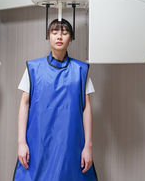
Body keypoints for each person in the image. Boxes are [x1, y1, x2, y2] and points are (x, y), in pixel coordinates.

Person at [13, 18, 98, 181]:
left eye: (64, 33)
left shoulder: (80, 70)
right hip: (39, 142)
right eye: (54, 32)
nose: (59, 36)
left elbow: (86, 108)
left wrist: (88, 146)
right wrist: (21, 142)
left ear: (71, 38)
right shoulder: (33, 69)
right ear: (48, 36)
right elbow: (24, 104)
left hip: (70, 143)